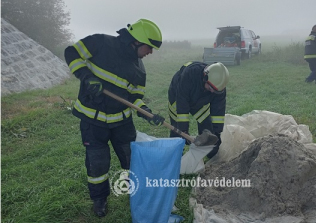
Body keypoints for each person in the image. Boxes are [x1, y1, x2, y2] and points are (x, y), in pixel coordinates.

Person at [64, 18, 165, 217]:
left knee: (132, 159)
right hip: (93, 121)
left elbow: (135, 98)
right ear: (135, 41)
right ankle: (99, 200)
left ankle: (135, 192)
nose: (150, 52)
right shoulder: (100, 42)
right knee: (97, 163)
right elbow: (71, 53)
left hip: (122, 122)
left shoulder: (139, 70)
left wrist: (148, 113)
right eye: (149, 47)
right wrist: (86, 76)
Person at [168, 61, 229, 159]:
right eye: (211, 88)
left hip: (199, 99)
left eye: (215, 91)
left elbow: (218, 110)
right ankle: (175, 157)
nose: (213, 92)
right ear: (205, 78)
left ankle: (212, 156)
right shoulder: (190, 74)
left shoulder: (218, 87)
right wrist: (183, 130)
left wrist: (217, 133)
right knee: (177, 130)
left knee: (208, 127)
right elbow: (182, 103)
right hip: (178, 95)